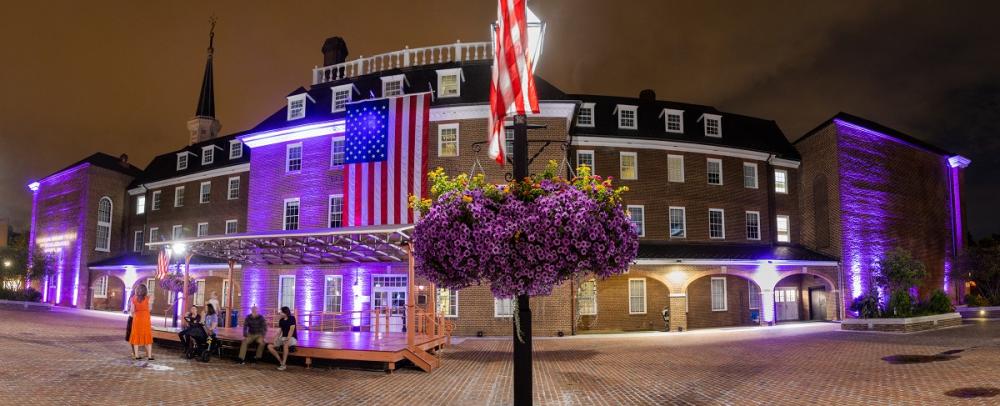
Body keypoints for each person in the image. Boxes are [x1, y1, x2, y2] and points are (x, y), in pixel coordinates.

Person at [266, 306, 298, 371]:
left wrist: (288, 338)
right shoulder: (281, 320)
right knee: (269, 346)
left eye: (281, 312)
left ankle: (283, 364)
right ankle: (280, 361)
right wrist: (276, 338)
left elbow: (291, 330)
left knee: (285, 344)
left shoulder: (292, 318)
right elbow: (280, 330)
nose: (280, 313)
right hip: (283, 338)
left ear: (285, 313)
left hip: (292, 338)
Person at [128, 284, 154, 360]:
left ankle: (137, 355)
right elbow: (149, 309)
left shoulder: (133, 298)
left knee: (136, 335)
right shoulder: (148, 298)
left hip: (137, 319)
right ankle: (149, 356)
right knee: (147, 336)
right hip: (145, 319)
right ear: (145, 291)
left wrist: (135, 313)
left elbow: (132, 310)